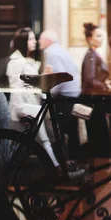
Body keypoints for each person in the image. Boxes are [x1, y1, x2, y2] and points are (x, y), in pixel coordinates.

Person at [5, 27, 84, 180]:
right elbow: (16, 88)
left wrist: (45, 77)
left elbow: (35, 87)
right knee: (43, 140)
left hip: (33, 106)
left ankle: (58, 168)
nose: (34, 42)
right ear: (23, 42)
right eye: (30, 39)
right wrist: (20, 109)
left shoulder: (27, 61)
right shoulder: (16, 62)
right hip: (24, 108)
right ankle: (58, 170)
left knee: (25, 145)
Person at [39, 30, 82, 160]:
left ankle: (59, 166)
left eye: (41, 39)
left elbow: (57, 76)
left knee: (57, 133)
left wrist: (47, 94)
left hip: (63, 97)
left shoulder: (50, 52)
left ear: (47, 41)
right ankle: (75, 163)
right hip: (73, 95)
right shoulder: (61, 50)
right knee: (73, 132)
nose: (38, 42)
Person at [80, 23, 111, 159]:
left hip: (95, 99)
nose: (101, 39)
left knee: (98, 137)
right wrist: (106, 87)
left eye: (102, 36)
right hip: (92, 100)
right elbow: (89, 80)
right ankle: (98, 173)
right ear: (89, 38)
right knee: (98, 138)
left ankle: (99, 172)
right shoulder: (91, 56)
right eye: (98, 36)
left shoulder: (93, 54)